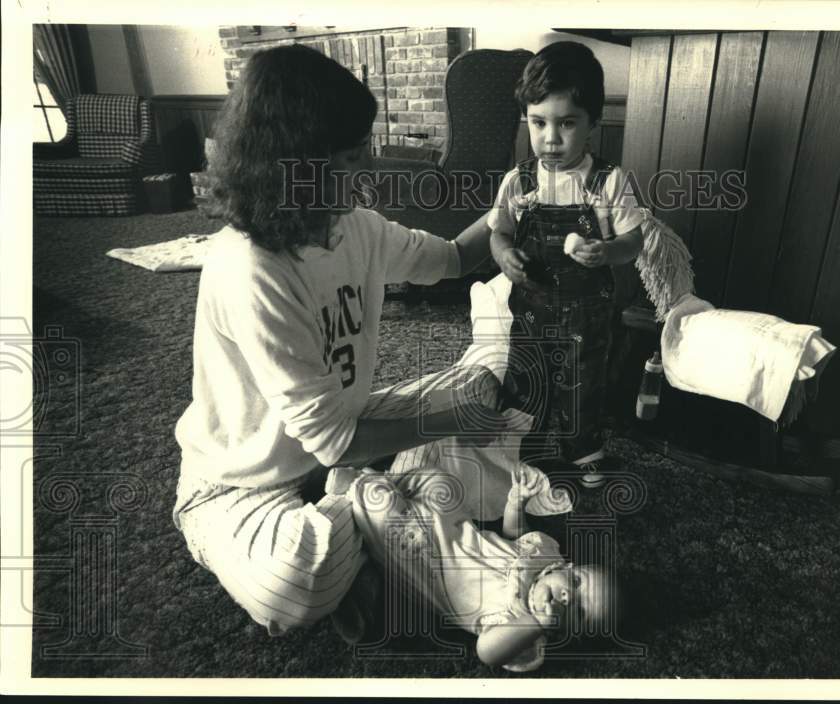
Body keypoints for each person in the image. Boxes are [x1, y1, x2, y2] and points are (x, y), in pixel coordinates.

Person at [171, 44, 505, 640]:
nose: (370, 172)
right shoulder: (251, 269)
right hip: (243, 484)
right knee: (298, 579)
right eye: (353, 158)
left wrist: (510, 206)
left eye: (366, 151)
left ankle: (376, 513)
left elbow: (455, 259)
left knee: (479, 383)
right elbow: (329, 441)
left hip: (342, 433)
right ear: (293, 166)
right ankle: (381, 508)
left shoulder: (357, 226)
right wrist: (446, 423)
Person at [489, 41, 645, 488]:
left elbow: (633, 239)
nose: (551, 139)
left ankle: (583, 448)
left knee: (583, 382)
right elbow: (498, 231)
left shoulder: (608, 181)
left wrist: (607, 251)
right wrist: (504, 256)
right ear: (527, 119)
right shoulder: (518, 181)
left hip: (587, 314)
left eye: (567, 123)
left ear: (593, 122)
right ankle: (527, 442)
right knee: (525, 377)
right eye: (539, 123)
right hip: (532, 309)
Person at [329, 464, 614, 672]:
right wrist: (516, 502)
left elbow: (487, 652)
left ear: (569, 635)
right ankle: (382, 496)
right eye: (576, 582)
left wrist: (536, 623)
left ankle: (358, 484)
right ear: (569, 567)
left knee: (387, 514)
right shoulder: (547, 553)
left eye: (579, 611)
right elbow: (515, 535)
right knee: (440, 481)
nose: (568, 597)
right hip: (456, 531)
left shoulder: (525, 635)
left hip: (425, 562)